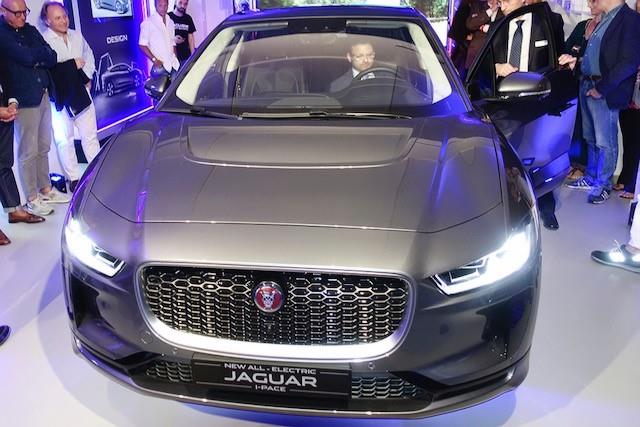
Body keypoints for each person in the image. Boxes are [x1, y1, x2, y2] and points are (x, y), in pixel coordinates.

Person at [491, 0, 565, 230]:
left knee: (539, 153)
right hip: (503, 99)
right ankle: (508, 206)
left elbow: (557, 62)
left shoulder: (550, 21)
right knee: (506, 155)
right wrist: (497, 67)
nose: (502, 4)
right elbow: (483, 61)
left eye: (507, 0)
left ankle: (546, 206)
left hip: (537, 99)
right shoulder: (498, 23)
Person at [561, 0, 640, 204]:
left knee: (605, 141)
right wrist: (578, 64)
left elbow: (629, 62)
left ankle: (603, 184)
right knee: (590, 137)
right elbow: (595, 55)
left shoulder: (630, 19)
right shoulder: (605, 19)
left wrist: (602, 88)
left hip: (603, 89)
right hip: (587, 83)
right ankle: (591, 177)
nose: (593, 2)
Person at [0, 0, 70, 217]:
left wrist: (34, 57)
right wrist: (36, 56)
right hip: (22, 99)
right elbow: (27, 56)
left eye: (25, 12)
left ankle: (46, 189)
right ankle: (31, 198)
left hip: (43, 93)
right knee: (28, 152)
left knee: (43, 146)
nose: (23, 16)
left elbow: (51, 56)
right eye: (17, 13)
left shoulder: (30, 30)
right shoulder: (2, 34)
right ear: (3, 10)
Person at [41, 1, 100, 193]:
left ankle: (97, 172)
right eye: (58, 18)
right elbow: (49, 70)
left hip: (81, 93)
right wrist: (71, 64)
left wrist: (86, 77)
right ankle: (74, 178)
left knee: (90, 136)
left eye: (64, 16)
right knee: (64, 139)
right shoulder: (44, 41)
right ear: (47, 21)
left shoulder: (76, 35)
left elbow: (89, 55)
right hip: (59, 97)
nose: (63, 21)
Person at [1, 82, 45, 246]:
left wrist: (12, 103)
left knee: (4, 163)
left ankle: (14, 211)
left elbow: (6, 79)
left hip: (4, 109)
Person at [563, 0, 603, 181]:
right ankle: (576, 164)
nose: (589, 5)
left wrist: (577, 61)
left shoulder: (607, 28)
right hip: (575, 84)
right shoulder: (581, 26)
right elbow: (566, 49)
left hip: (596, 86)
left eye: (593, 2)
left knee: (595, 132)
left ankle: (590, 171)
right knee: (579, 128)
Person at [139, 0, 179, 79]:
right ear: (155, 6)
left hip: (173, 65)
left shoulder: (171, 22)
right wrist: (154, 60)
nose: (163, 8)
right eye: (160, 5)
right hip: (159, 67)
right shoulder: (148, 23)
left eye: (165, 5)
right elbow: (142, 45)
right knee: (162, 87)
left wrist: (175, 57)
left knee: (177, 86)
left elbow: (173, 42)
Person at [465, 0, 503, 70]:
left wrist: (488, 28)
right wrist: (490, 11)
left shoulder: (504, 6)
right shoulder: (478, 6)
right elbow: (470, 24)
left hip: (497, 55)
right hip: (477, 52)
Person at [448, 0, 473, 77]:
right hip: (461, 37)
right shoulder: (465, 8)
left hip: (460, 37)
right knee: (460, 60)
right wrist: (466, 36)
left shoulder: (464, 6)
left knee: (457, 58)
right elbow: (459, 26)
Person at [168, 0, 196, 68]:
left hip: (186, 57)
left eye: (185, 4)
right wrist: (173, 39)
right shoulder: (168, 17)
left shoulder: (188, 18)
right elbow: (163, 35)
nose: (183, 6)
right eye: (180, 3)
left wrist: (193, 56)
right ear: (176, 2)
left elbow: (191, 38)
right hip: (171, 57)